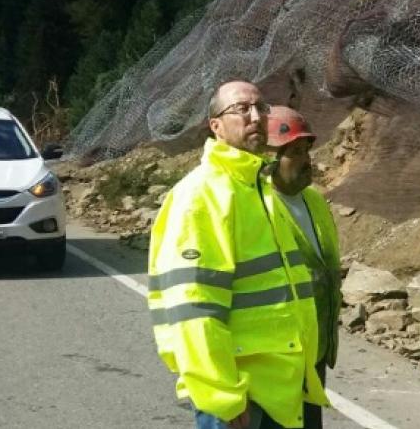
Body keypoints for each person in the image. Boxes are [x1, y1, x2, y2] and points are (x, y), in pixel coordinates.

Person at [147, 80, 328, 429]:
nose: (256, 116)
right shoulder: (201, 196)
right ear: (215, 126)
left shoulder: (258, 192)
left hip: (280, 391)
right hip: (242, 399)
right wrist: (224, 397)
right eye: (241, 109)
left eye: (261, 107)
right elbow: (194, 310)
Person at [265, 105, 343, 429]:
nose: (305, 160)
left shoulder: (314, 201)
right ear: (268, 161)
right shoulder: (260, 207)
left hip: (315, 350)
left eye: (306, 150)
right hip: (278, 355)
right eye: (293, 153)